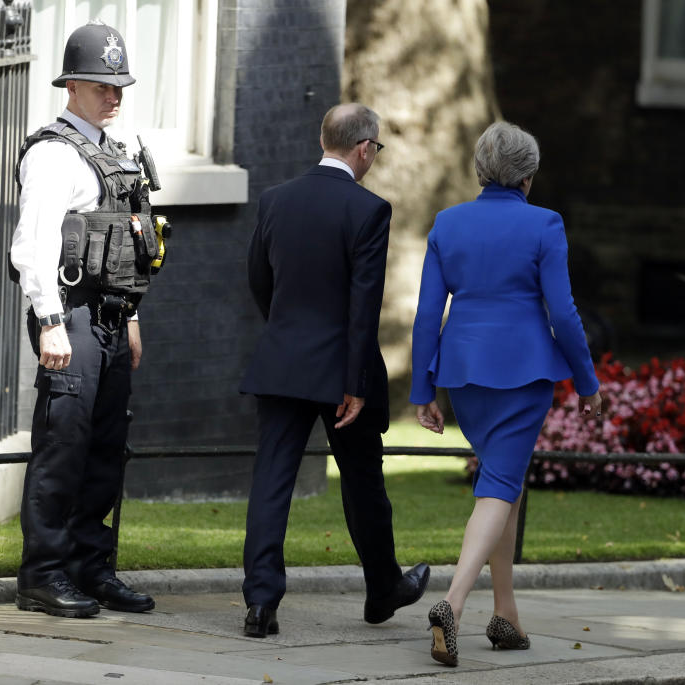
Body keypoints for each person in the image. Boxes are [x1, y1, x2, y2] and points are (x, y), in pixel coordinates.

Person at [409, 121, 603, 665]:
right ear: (529, 177)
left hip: (464, 371)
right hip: (524, 372)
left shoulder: (449, 223)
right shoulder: (545, 224)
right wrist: (587, 382)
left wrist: (423, 387)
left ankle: (506, 614)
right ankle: (452, 602)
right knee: (499, 484)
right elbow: (562, 312)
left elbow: (427, 313)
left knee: (505, 481)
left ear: (479, 170)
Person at [239, 104, 430, 639]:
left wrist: (286, 332)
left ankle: (260, 603)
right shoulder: (369, 209)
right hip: (342, 373)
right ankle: (383, 589)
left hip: (281, 363)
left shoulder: (275, 199)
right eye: (377, 150)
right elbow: (363, 305)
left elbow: (259, 279)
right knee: (364, 482)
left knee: (271, 481)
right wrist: (353, 384)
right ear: (365, 148)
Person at [10, 21, 162, 618]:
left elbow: (123, 250)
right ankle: (42, 574)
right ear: (71, 85)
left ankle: (90, 567)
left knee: (105, 449)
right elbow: (35, 243)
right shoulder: (53, 154)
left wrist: (130, 318)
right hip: (69, 317)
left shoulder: (112, 151)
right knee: (63, 448)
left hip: (110, 320)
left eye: (119, 84)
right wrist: (48, 319)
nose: (113, 94)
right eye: (101, 85)